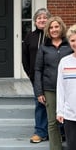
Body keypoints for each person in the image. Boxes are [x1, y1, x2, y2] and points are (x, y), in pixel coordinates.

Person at [34, 16, 73, 150]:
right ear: (48, 30)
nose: (54, 29)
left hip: (70, 89)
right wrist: (39, 92)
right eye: (51, 27)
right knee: (52, 123)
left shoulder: (69, 46)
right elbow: (38, 70)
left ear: (61, 28)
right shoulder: (44, 48)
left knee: (70, 122)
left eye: (56, 27)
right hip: (49, 89)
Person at [22, 7, 50, 143]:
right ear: (35, 21)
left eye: (45, 17)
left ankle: (58, 131)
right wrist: (31, 74)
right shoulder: (30, 37)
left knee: (55, 104)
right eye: (39, 18)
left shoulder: (53, 36)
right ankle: (40, 131)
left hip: (52, 77)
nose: (42, 20)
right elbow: (25, 57)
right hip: (36, 77)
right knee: (40, 104)